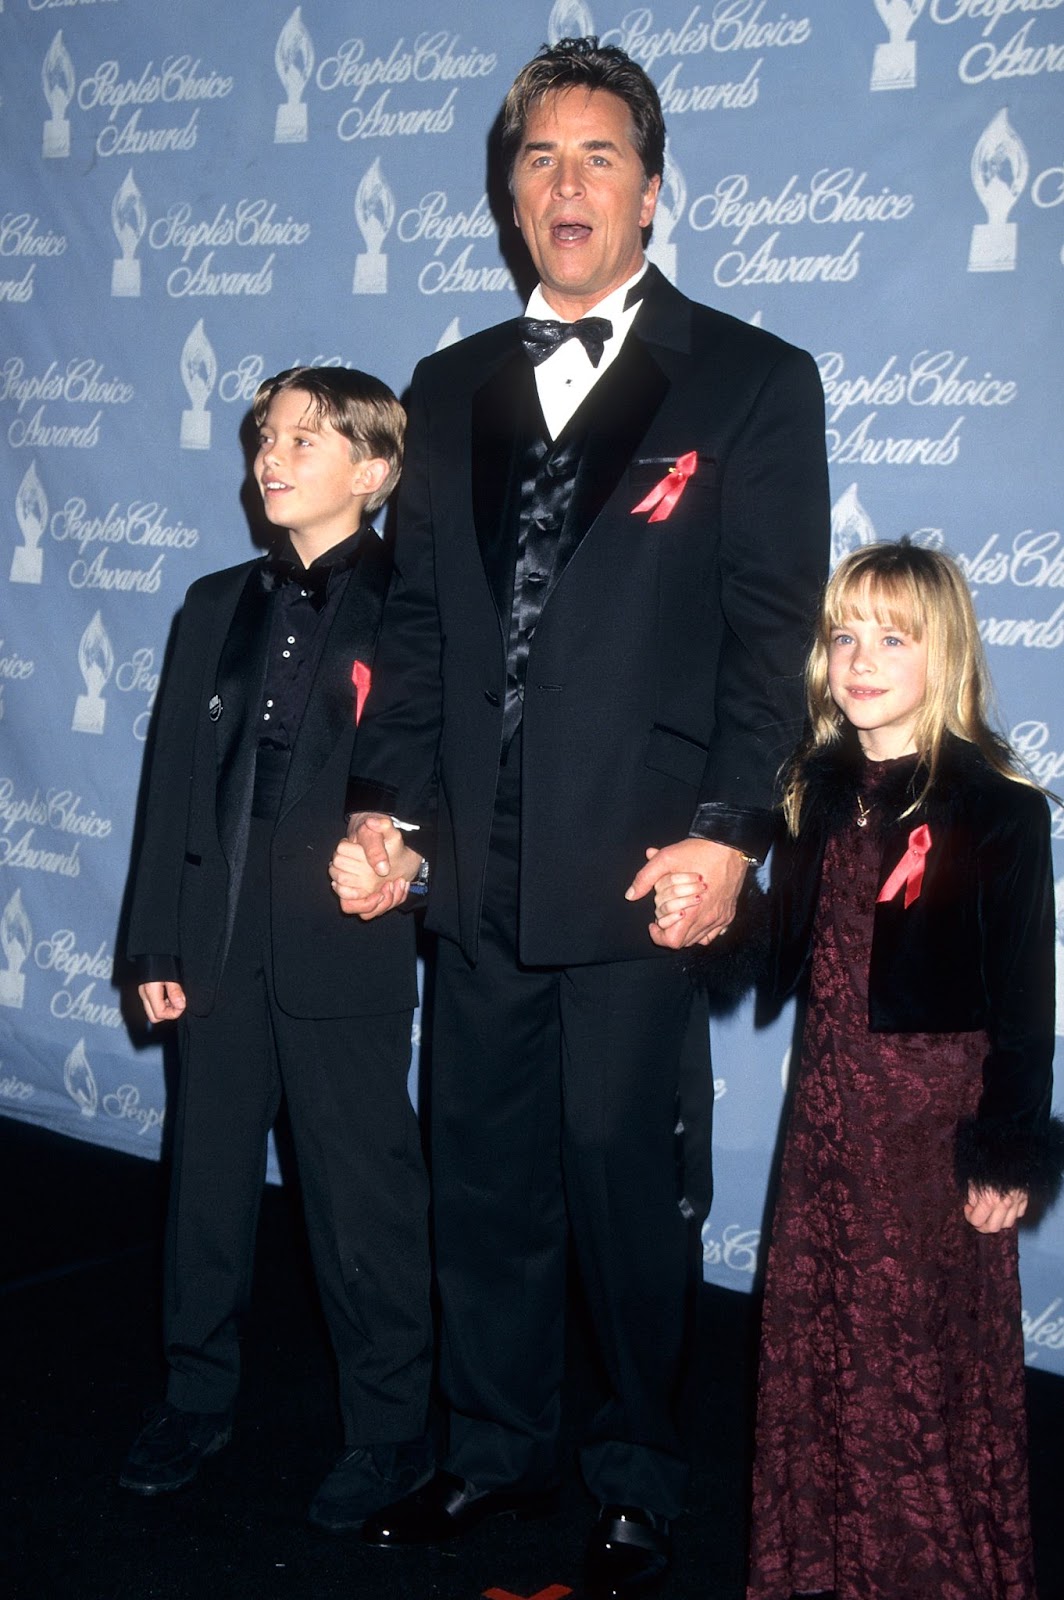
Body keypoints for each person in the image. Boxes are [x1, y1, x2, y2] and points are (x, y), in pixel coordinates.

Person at [329, 37, 829, 1597]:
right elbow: (413, 633)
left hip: (637, 868)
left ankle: (634, 1475)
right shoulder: (444, 385)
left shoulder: (753, 378)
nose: (568, 183)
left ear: (653, 188)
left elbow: (770, 639)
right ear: (508, 188)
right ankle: (496, 1455)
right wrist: (386, 813)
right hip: (469, 865)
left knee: (623, 1182)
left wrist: (731, 831)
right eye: (541, 156)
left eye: (599, 155)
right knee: (480, 1178)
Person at [693, 540, 1058, 1600]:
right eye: (843, 635)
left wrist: (1005, 1147)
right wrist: (710, 913)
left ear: (939, 651)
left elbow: (1024, 1005)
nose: (858, 658)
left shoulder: (998, 809)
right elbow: (776, 955)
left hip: (926, 1126)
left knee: (914, 1362)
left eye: (889, 637)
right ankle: (824, 1567)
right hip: (825, 1116)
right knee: (822, 1345)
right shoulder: (814, 795)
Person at [120, 366, 433, 1534]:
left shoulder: (420, 603)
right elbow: (168, 789)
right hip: (212, 936)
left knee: (363, 1203)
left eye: (307, 436)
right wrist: (156, 935)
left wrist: (407, 857)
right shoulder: (211, 603)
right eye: (265, 433)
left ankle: (390, 1430)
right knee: (203, 1188)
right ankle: (194, 1399)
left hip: (342, 942)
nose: (272, 452)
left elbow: (452, 780)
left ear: (376, 468)